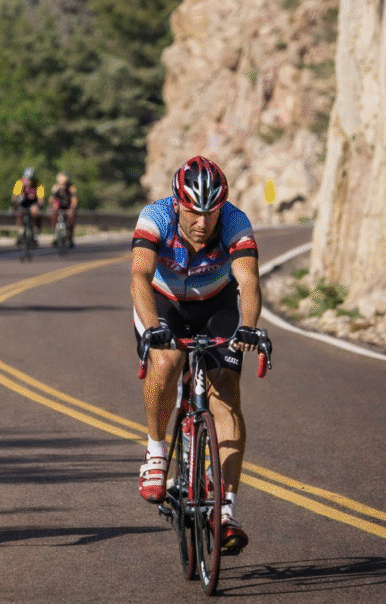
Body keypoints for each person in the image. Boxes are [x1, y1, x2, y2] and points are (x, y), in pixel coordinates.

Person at [130, 155, 267, 554]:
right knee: (168, 361)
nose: (202, 222)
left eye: (211, 212)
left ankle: (225, 511)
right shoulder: (155, 217)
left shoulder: (236, 222)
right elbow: (139, 275)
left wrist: (248, 326)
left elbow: (249, 280)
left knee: (225, 391)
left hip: (216, 305)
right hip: (164, 302)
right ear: (177, 204)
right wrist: (153, 326)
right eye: (193, 211)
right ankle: (156, 450)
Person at [12, 167, 45, 243]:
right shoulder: (19, 183)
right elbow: (15, 197)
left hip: (34, 202)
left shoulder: (38, 184)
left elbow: (41, 199)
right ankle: (20, 231)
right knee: (19, 213)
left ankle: (35, 232)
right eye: (27, 179)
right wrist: (13, 206)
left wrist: (38, 207)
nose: (29, 181)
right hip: (23, 201)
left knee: (36, 212)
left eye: (31, 179)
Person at [50, 171, 78, 247]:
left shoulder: (72, 187)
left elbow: (74, 200)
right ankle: (55, 234)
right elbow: (51, 200)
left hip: (68, 205)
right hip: (59, 206)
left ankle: (70, 236)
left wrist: (72, 208)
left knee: (71, 215)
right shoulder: (55, 187)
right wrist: (54, 204)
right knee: (53, 213)